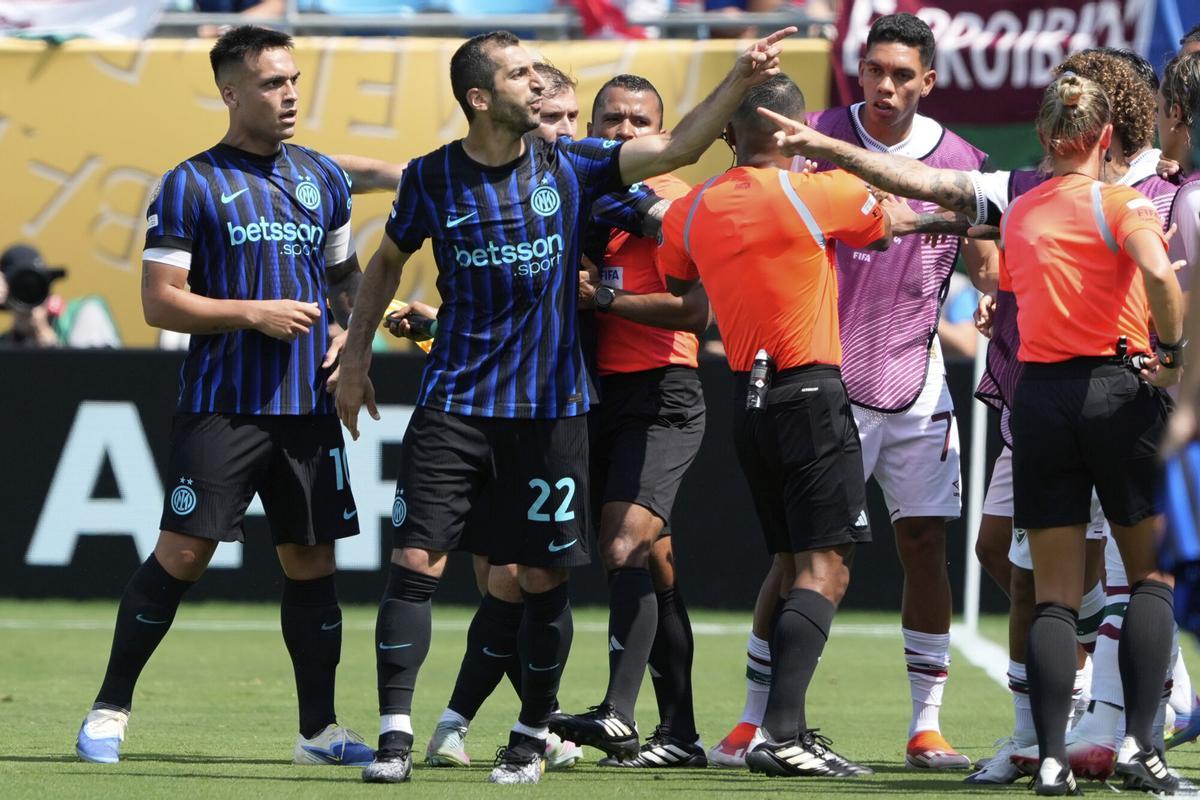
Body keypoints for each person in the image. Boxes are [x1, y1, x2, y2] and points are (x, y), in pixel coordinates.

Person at [334, 26, 795, 785]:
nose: (540, 87)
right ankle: (394, 736)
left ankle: (527, 732)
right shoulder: (430, 178)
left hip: (551, 413)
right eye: (521, 76)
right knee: (416, 561)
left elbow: (678, 148)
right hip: (454, 403)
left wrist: (742, 78)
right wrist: (355, 361)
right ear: (482, 98)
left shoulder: (572, 166)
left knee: (542, 579)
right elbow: (387, 260)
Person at [73, 26, 373, 768]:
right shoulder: (190, 183)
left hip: (307, 408)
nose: (291, 94)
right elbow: (160, 302)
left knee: (311, 561)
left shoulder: (322, 178)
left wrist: (348, 337)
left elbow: (346, 283)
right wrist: (252, 311)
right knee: (183, 551)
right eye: (273, 83)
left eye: (295, 80)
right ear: (231, 91)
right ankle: (108, 710)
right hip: (225, 405)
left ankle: (318, 732)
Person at [712, 13, 995, 772]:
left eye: (903, 74)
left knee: (926, 544)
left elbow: (989, 256)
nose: (887, 85)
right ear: (859, 71)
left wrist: (999, 291)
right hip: (822, 382)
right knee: (794, 558)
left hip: (915, 378)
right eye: (875, 70)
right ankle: (752, 719)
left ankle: (926, 725)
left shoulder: (963, 158)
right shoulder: (811, 134)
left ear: (928, 82)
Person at [661, 73, 893, 778]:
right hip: (811, 395)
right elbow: (883, 226)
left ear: (729, 135)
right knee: (828, 569)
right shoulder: (816, 191)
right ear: (795, 132)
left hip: (748, 401)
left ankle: (763, 724)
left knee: (791, 566)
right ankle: (785, 734)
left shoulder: (692, 210)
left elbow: (678, 282)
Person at [999, 73, 1184, 795]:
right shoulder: (1121, 201)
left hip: (1040, 399)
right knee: (1150, 579)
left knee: (1054, 596)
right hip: (1116, 391)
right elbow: (1161, 279)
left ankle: (1048, 759)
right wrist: (1171, 354)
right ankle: (1141, 747)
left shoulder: (1021, 212)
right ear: (1107, 137)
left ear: (1045, 137)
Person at [548, 73, 712, 768]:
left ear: (662, 131)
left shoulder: (675, 203)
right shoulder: (575, 195)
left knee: (621, 549)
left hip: (665, 387)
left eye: (637, 120)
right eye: (608, 118)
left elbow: (694, 314)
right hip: (594, 392)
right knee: (655, 565)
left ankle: (618, 714)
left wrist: (604, 299)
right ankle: (680, 735)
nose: (621, 131)